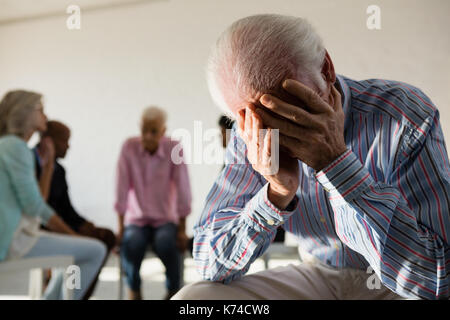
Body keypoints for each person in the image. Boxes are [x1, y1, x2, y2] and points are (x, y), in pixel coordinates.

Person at [173, 14, 450, 300]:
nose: (281, 134)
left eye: (293, 114)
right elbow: (208, 263)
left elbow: (438, 277)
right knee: (195, 300)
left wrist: (336, 164)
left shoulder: (402, 114)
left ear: (326, 69)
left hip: (392, 284)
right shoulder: (251, 134)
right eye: (263, 122)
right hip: (318, 274)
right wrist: (275, 195)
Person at [0, 90, 106, 300]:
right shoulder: (16, 148)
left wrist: (48, 166)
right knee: (95, 250)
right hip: (12, 240)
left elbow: (37, 204)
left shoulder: (8, 146)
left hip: (18, 235)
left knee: (85, 248)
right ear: (25, 114)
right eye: (41, 111)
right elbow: (35, 206)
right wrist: (72, 235)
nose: (45, 117)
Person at [115, 106, 192, 300]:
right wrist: (120, 227)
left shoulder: (174, 148)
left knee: (168, 244)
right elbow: (121, 186)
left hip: (165, 219)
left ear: (163, 131)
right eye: (144, 130)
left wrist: (182, 229)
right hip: (136, 219)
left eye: (154, 131)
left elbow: (183, 187)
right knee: (131, 244)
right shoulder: (129, 147)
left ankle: (173, 292)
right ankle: (134, 290)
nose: (148, 136)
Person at [34, 120, 116, 251]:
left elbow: (66, 208)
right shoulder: (29, 163)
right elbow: (38, 208)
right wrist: (73, 235)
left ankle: (82, 272)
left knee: (106, 236)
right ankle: (74, 269)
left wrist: (85, 225)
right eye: (65, 141)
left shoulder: (59, 170)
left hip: (61, 224)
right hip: (41, 227)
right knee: (88, 247)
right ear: (48, 141)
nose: (68, 146)